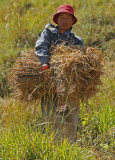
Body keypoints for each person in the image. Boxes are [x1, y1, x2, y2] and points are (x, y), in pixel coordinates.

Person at [35, 4, 83, 142]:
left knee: (71, 116)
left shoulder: (77, 40)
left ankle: (69, 147)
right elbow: (41, 46)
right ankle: (54, 145)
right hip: (49, 81)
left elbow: (80, 62)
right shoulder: (48, 33)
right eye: (62, 17)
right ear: (57, 19)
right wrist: (45, 65)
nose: (64, 20)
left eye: (68, 18)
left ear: (72, 20)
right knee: (51, 114)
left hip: (70, 85)